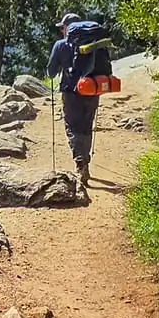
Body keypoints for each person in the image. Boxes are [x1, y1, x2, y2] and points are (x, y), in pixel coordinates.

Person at [45, 12, 108, 194]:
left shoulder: (61, 45)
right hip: (91, 88)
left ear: (67, 28)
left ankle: (80, 162)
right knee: (86, 126)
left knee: (72, 127)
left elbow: (50, 72)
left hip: (71, 92)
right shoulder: (94, 43)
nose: (62, 31)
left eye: (62, 27)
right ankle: (85, 160)